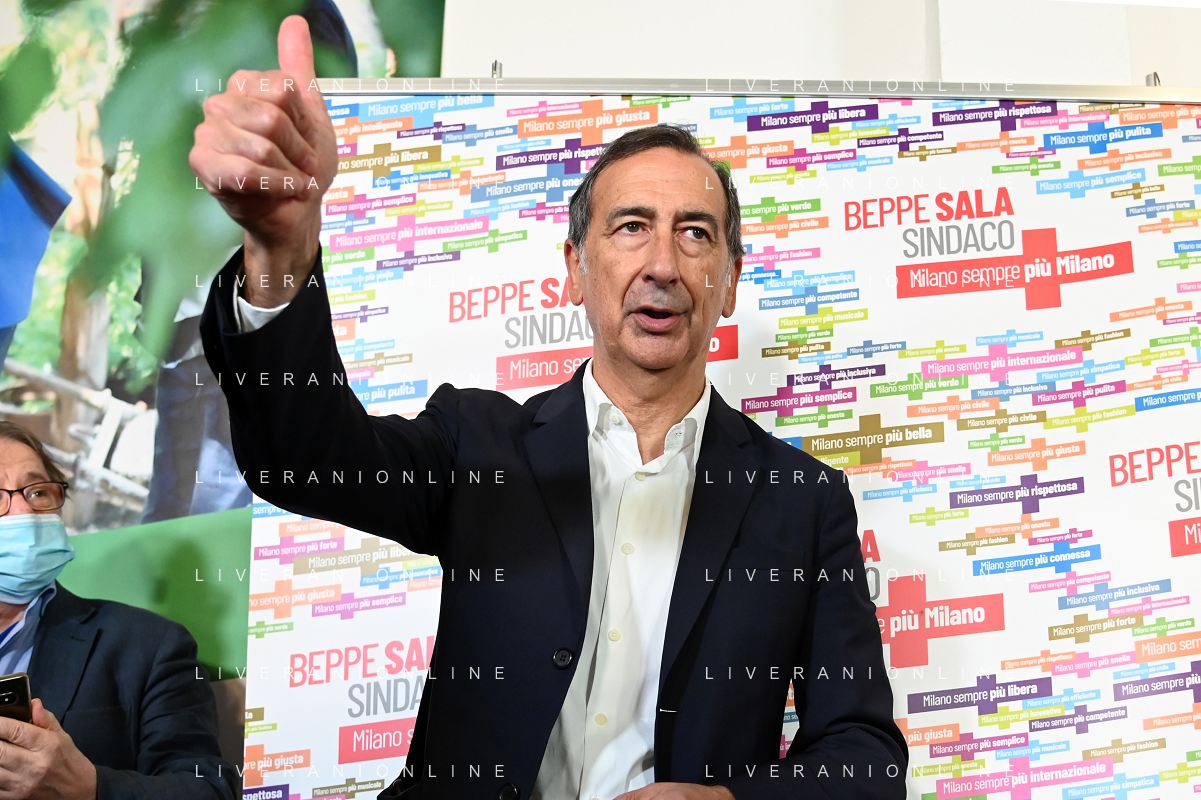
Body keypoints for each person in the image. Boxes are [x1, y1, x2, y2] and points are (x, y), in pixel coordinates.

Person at [192, 17, 907, 800]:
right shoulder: (478, 446)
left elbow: (864, 756)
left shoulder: (802, 502)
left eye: (695, 235)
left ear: (729, 280)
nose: (661, 265)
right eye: (630, 228)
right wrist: (281, 254)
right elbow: (302, 461)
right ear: (575, 267)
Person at [0, 421, 237, 800]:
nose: (25, 510)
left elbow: (208, 790)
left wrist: (89, 787)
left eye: (38, 491)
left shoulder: (150, 647)